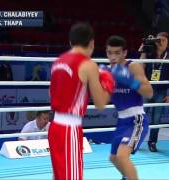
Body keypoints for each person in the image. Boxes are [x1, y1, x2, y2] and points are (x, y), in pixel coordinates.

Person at [49, 22, 115, 180]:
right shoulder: (88, 64)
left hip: (54, 127)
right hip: (69, 128)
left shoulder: (58, 61)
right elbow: (100, 104)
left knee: (60, 176)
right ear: (92, 43)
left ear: (70, 42)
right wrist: (108, 82)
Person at [106, 36, 153, 180]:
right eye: (109, 53)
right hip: (121, 121)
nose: (113, 57)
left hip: (136, 119)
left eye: (117, 53)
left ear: (124, 53)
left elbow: (149, 93)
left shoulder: (133, 67)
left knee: (122, 156)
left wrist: (131, 82)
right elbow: (105, 99)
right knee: (113, 158)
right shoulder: (107, 72)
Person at [139, 32, 169, 152]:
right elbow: (140, 68)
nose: (161, 43)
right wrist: (143, 50)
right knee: (140, 116)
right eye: (159, 40)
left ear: (167, 42)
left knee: (156, 119)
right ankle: (135, 141)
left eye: (164, 40)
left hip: (161, 91)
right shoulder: (149, 53)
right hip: (147, 89)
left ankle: (152, 142)